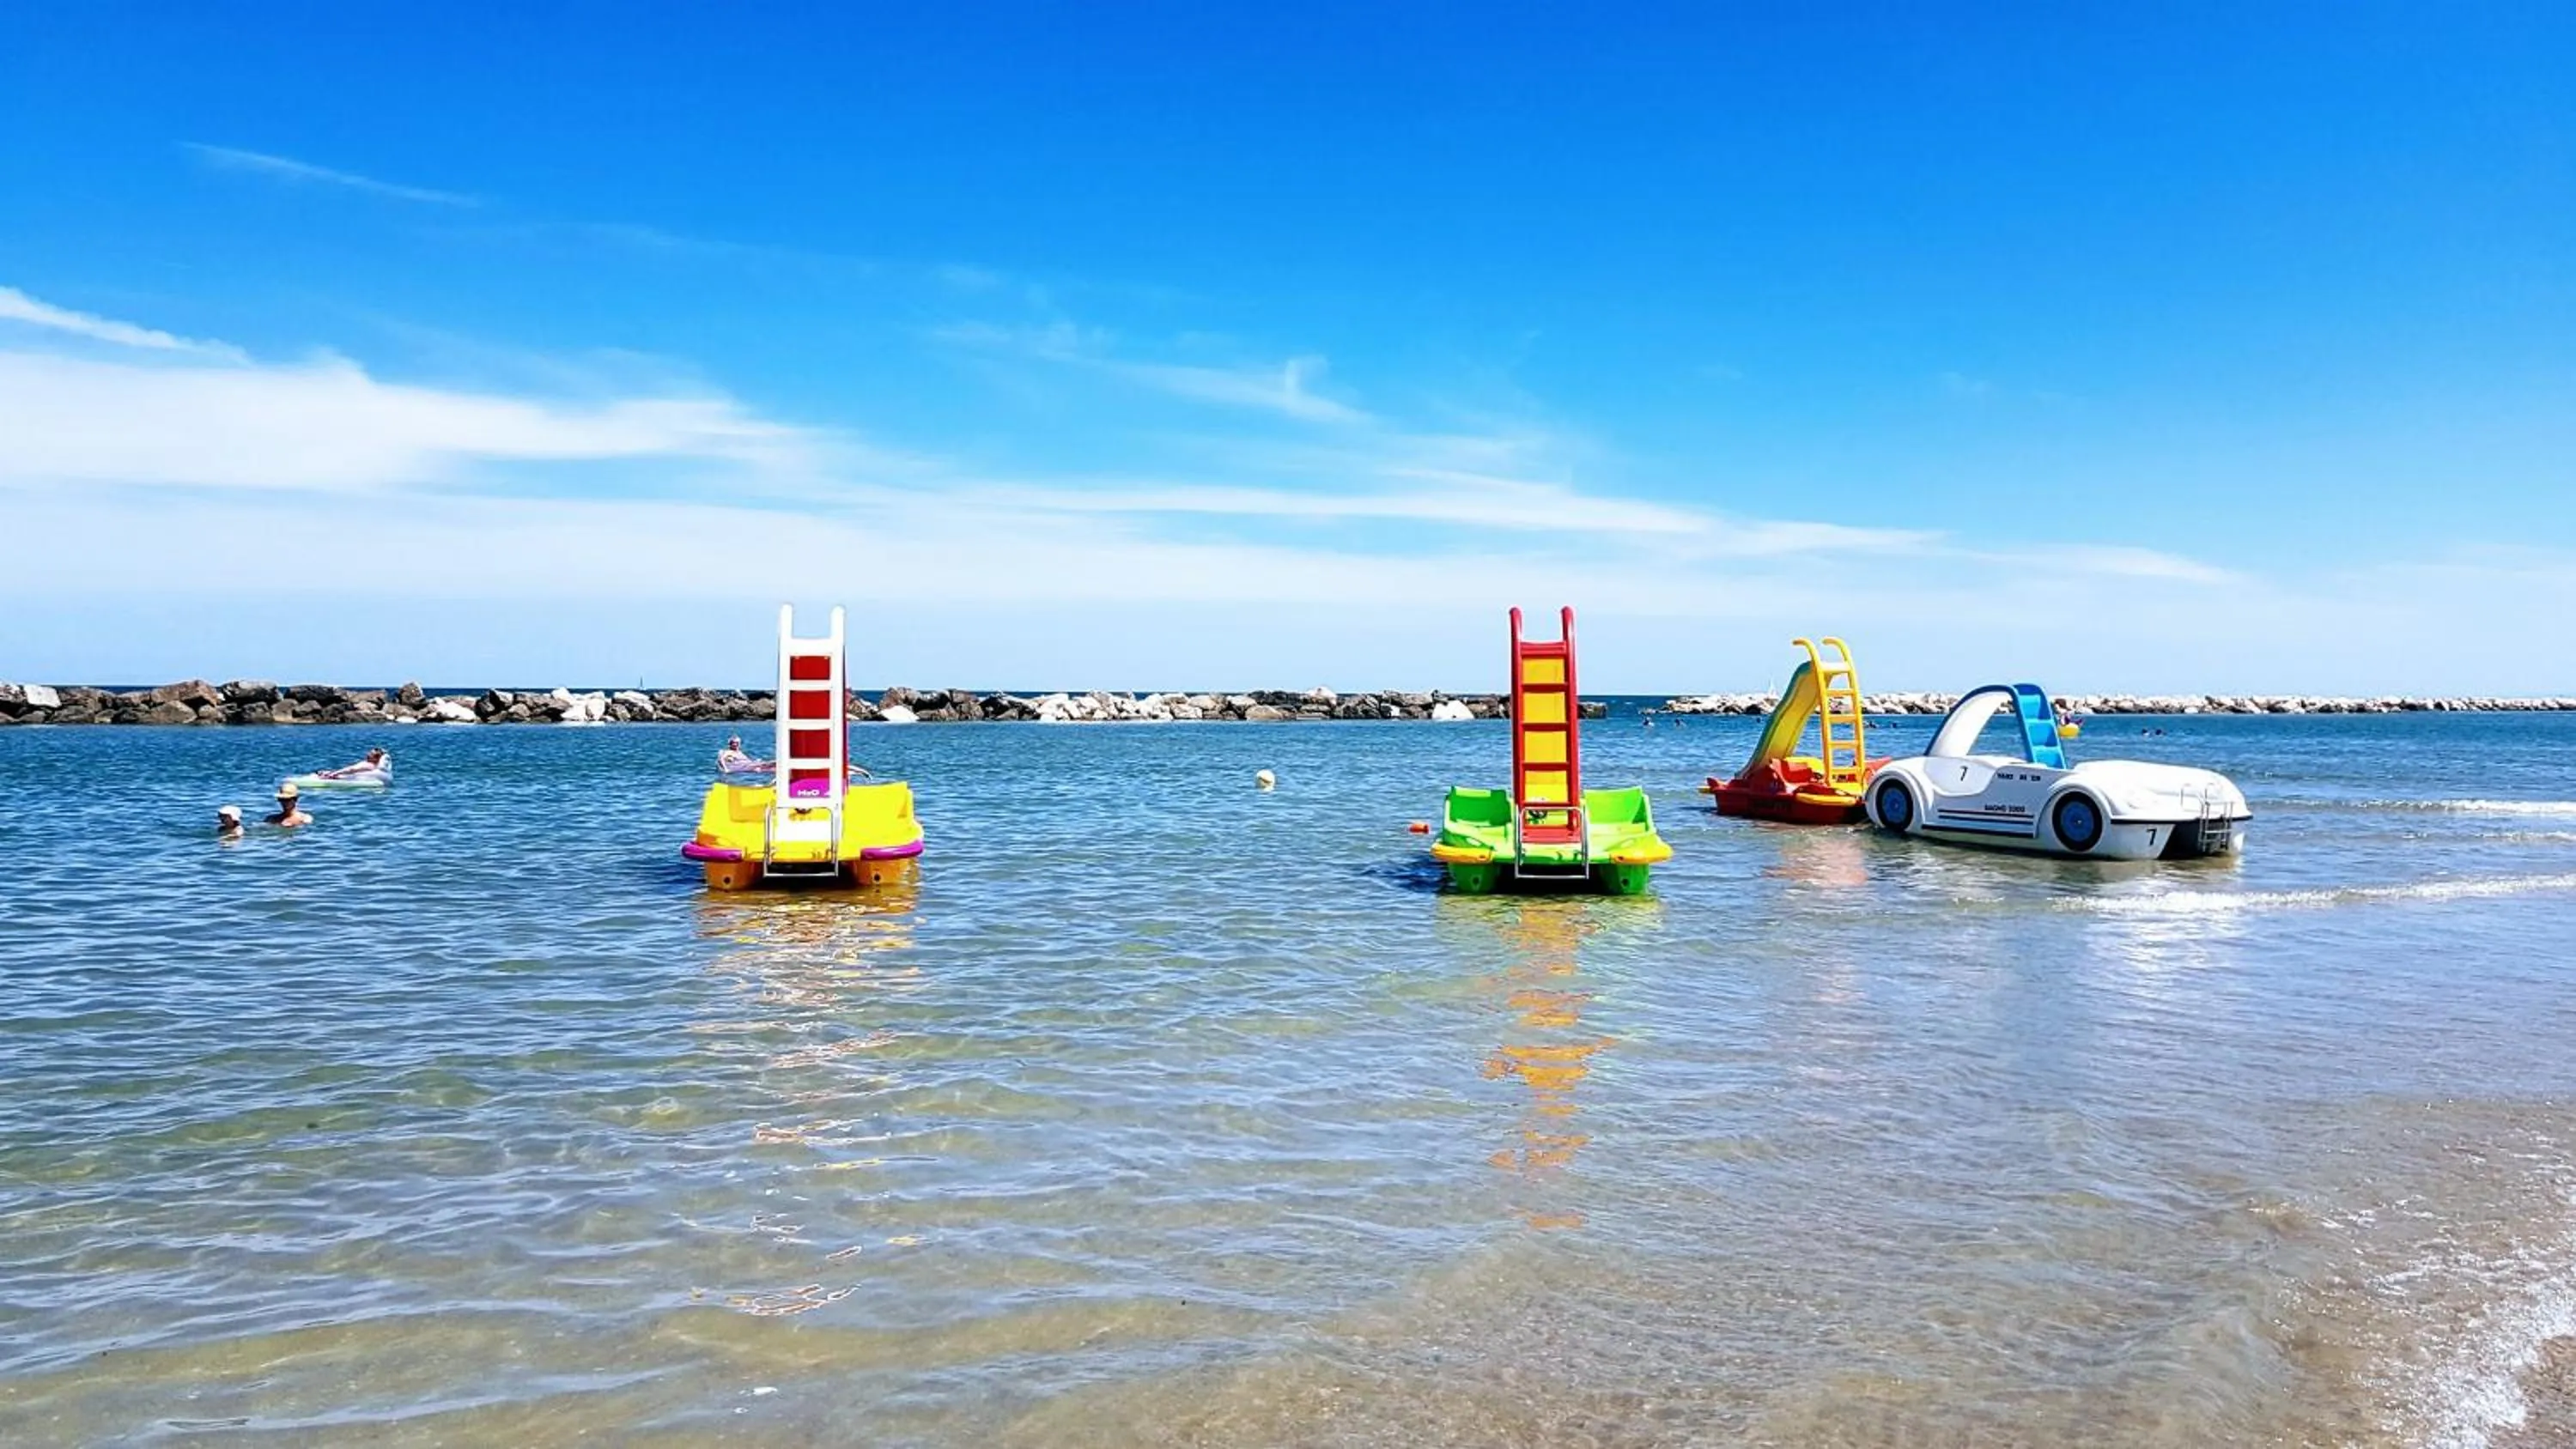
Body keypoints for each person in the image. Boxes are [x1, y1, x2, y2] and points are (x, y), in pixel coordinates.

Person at [316, 747, 391, 781]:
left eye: (371, 754)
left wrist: (333, 774)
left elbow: (352, 769)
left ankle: (329, 774)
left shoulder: (369, 765)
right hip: (350, 776)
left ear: (376, 758)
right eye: (369, 753)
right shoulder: (374, 765)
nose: (368, 754)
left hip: (345, 777)